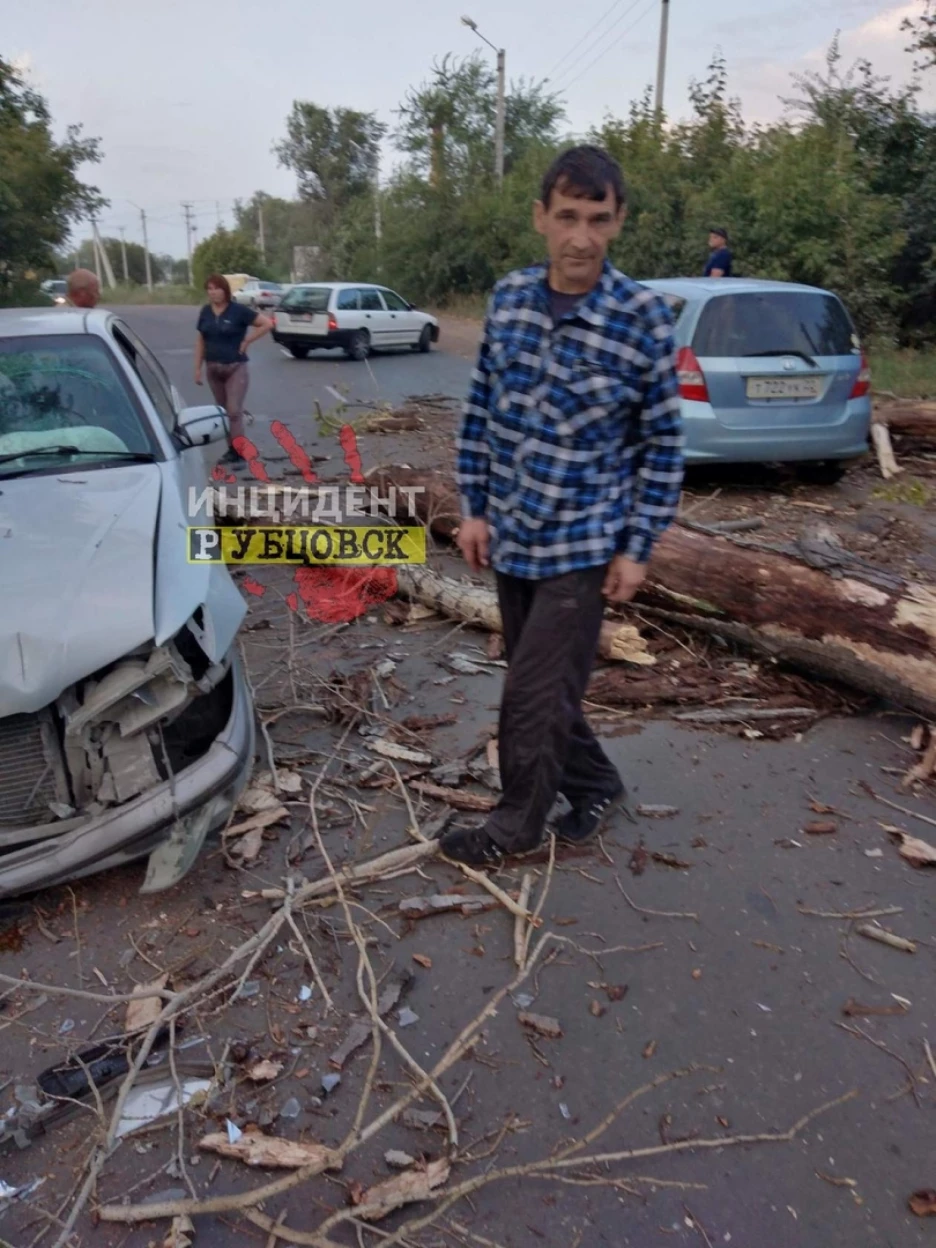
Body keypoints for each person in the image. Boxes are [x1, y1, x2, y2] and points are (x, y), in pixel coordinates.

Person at [440, 144, 684, 868]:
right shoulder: (510, 297)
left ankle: (516, 826)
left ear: (619, 221)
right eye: (568, 217)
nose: (583, 237)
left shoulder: (642, 317)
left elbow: (663, 444)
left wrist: (639, 548)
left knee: (532, 694)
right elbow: (481, 410)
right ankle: (597, 782)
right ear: (541, 217)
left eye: (599, 219)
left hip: (582, 547)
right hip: (513, 533)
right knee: (542, 683)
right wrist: (474, 509)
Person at [194, 273, 272, 462]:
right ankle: (231, 449)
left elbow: (266, 323)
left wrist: (247, 341)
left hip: (235, 367)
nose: (213, 293)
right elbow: (201, 341)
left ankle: (239, 451)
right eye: (210, 289)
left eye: (217, 288)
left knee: (234, 409)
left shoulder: (238, 311)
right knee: (223, 411)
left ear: (225, 290)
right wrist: (197, 368)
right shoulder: (205, 312)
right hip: (213, 368)